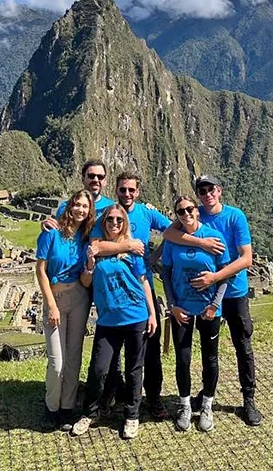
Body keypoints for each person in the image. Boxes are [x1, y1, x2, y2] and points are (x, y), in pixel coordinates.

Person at [163, 175, 263, 426]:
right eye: (202, 190)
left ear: (219, 191)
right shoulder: (195, 216)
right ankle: (204, 394)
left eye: (211, 189)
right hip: (201, 299)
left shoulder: (234, 216)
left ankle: (248, 399)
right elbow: (169, 234)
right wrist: (201, 242)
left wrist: (215, 277)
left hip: (233, 292)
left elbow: (246, 258)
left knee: (243, 345)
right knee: (207, 353)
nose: (207, 194)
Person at [88, 172, 172, 419]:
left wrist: (154, 258)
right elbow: (95, 246)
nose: (127, 194)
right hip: (113, 294)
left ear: (138, 191)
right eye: (123, 189)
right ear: (116, 190)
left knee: (151, 351)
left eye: (131, 190)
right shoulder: (107, 212)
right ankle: (111, 396)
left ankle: (154, 399)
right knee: (111, 356)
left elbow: (173, 229)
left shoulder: (146, 214)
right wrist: (129, 246)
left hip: (141, 287)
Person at [70, 204, 158, 440]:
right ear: (105, 222)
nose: (115, 224)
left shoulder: (134, 250)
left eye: (119, 220)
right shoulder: (96, 250)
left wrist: (152, 313)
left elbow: (143, 282)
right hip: (108, 320)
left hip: (135, 316)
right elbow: (86, 282)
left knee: (133, 370)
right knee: (98, 369)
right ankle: (90, 412)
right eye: (110, 219)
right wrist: (89, 263)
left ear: (124, 224)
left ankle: (131, 415)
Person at [161, 195, 230, 432]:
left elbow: (224, 274)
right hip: (182, 309)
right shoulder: (172, 241)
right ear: (177, 215)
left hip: (208, 309)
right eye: (181, 211)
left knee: (210, 358)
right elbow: (166, 273)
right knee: (183, 359)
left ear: (197, 211)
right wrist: (173, 305)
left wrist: (214, 305)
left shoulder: (214, 237)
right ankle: (185, 404)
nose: (186, 214)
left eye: (190, 209)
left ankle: (207, 404)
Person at [35, 189, 96, 431]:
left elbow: (86, 279)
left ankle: (67, 407)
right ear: (69, 207)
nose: (81, 209)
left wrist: (90, 267)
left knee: (74, 357)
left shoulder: (86, 237)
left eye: (85, 206)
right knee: (56, 362)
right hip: (55, 296)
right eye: (77, 205)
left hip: (79, 296)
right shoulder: (51, 233)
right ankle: (51, 406)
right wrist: (51, 304)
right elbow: (41, 270)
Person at [42, 159, 115, 231]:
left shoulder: (112, 208)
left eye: (100, 177)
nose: (96, 180)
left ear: (105, 182)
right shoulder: (66, 207)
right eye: (91, 176)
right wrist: (47, 226)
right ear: (83, 179)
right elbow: (57, 233)